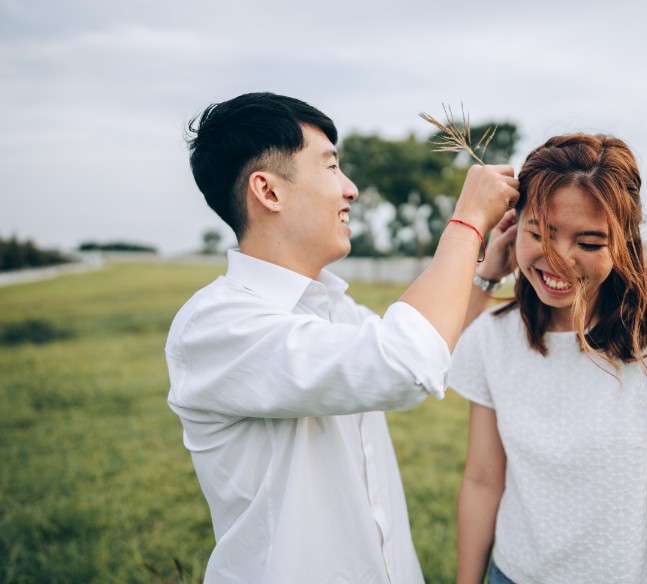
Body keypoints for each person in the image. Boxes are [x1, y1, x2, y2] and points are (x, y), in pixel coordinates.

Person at [164, 91, 519, 583]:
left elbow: (426, 347)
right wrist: (467, 225)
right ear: (268, 192)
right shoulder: (217, 325)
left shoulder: (330, 308)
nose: (349, 189)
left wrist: (481, 277)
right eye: (331, 168)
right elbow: (404, 363)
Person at [449, 133, 647, 584]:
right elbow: (482, 480)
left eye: (590, 243)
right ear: (513, 226)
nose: (560, 260)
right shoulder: (493, 337)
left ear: (623, 244)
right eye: (540, 232)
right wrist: (485, 275)